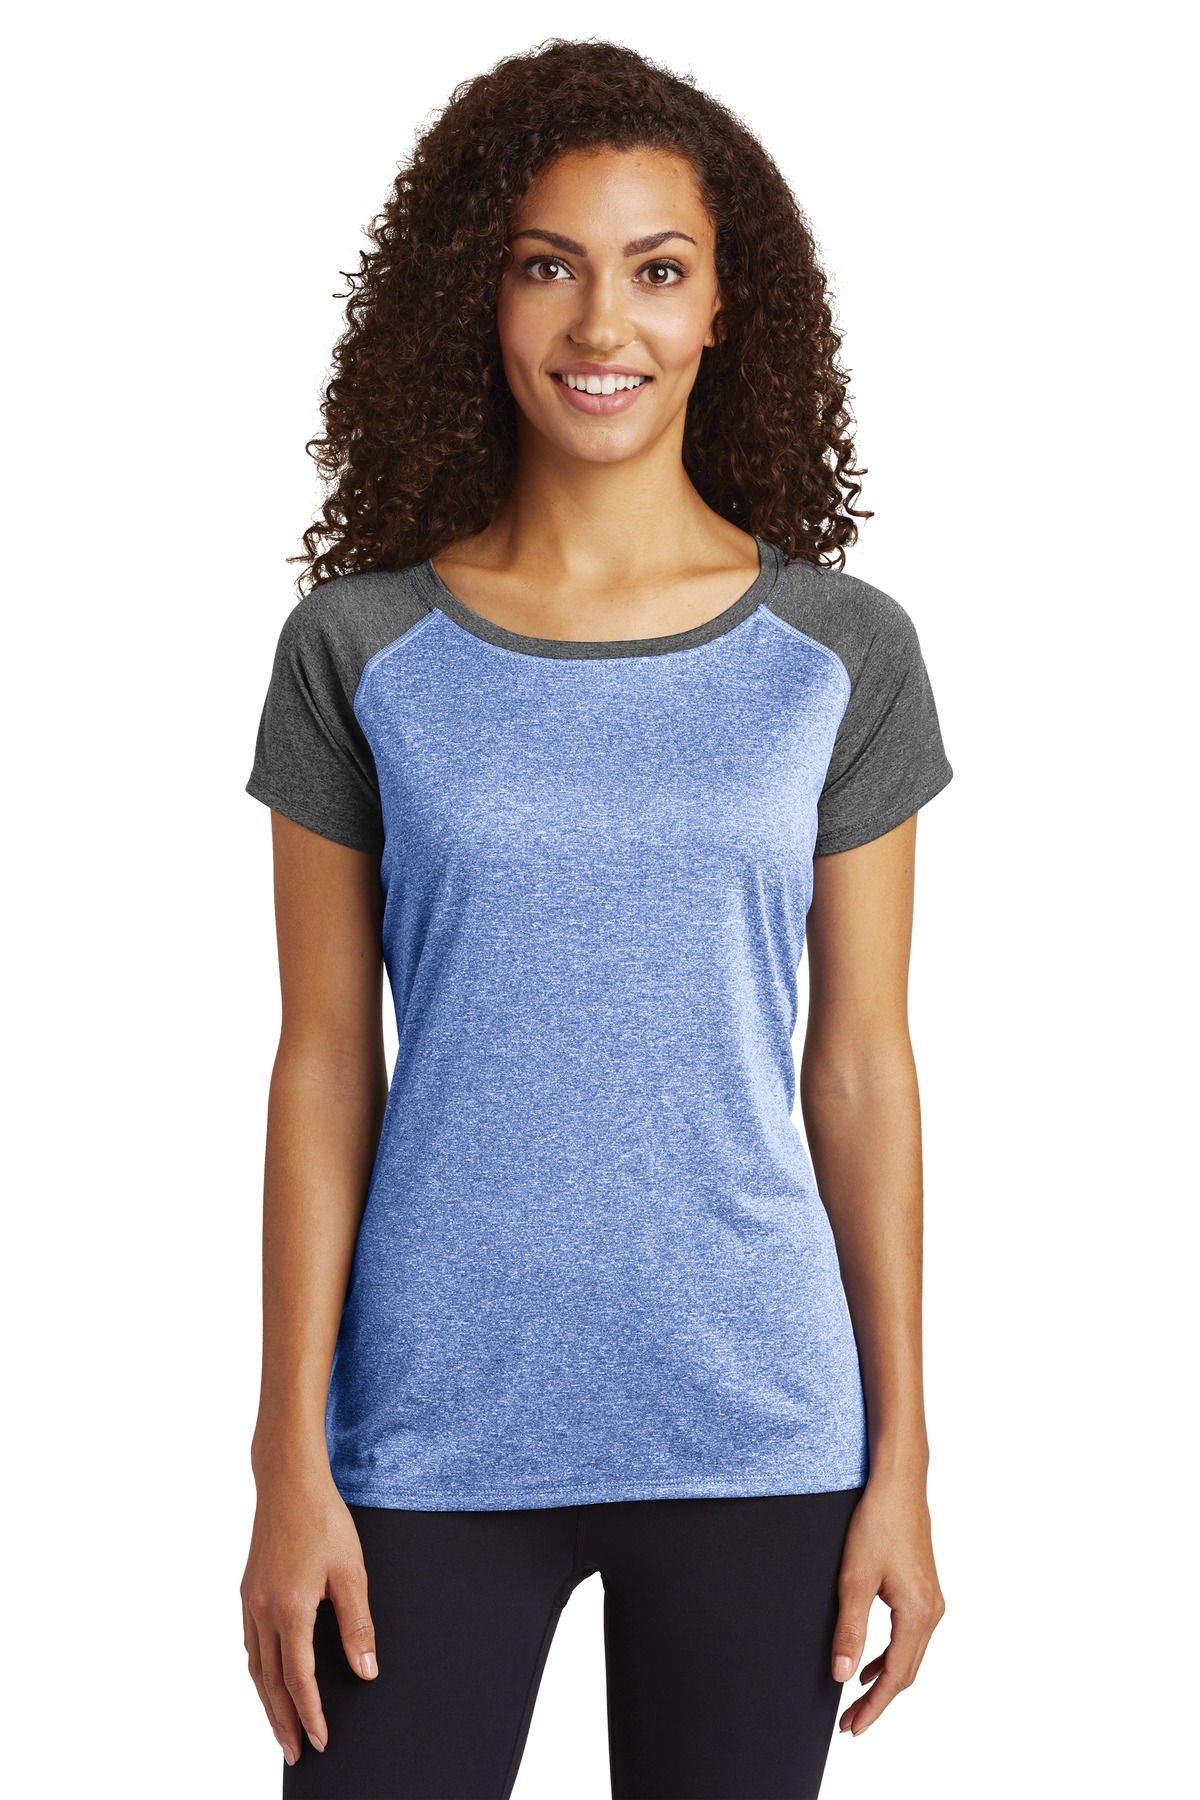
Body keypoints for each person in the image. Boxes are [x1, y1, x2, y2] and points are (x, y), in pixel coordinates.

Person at [240, 36, 952, 1800]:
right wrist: (284, 1458)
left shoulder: (839, 653)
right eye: (547, 264)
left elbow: (861, 1069)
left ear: (723, 309)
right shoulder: (361, 648)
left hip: (756, 1425)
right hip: (425, 1425)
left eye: (657, 268)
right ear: (475, 299)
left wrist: (906, 1461)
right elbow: (324, 1067)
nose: (601, 323)